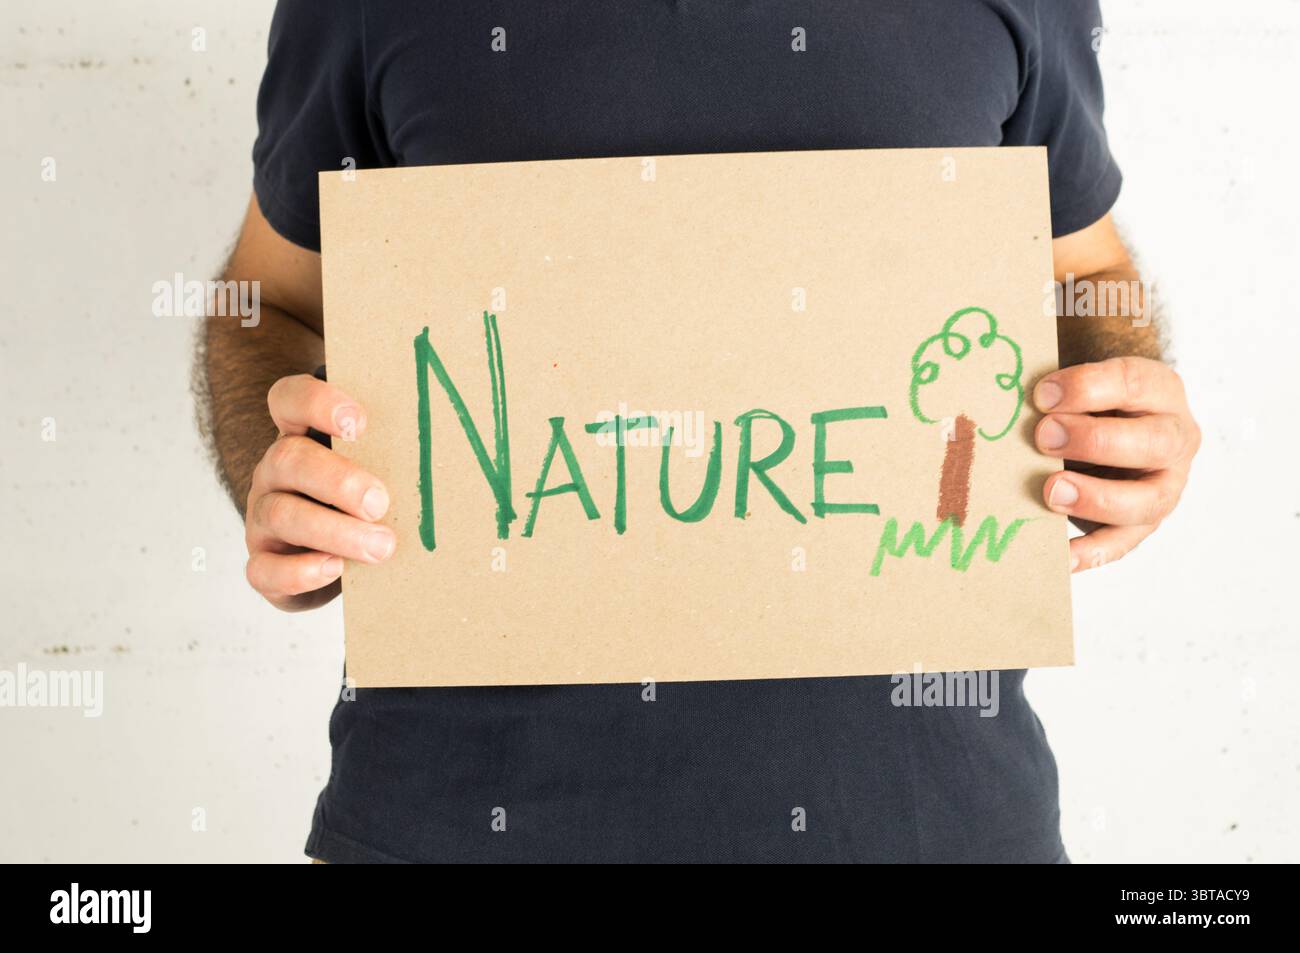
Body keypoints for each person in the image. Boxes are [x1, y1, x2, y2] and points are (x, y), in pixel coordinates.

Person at [197, 1, 1201, 863]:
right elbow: (265, 300)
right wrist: (280, 470)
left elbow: (1083, 273)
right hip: (453, 820)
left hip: (931, 819)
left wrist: (1129, 404)